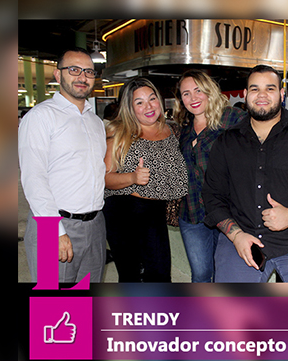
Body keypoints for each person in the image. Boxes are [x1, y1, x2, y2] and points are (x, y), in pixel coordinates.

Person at [202, 65, 288, 283]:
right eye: (255, 89)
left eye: (270, 88)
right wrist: (236, 236)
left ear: (282, 94)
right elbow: (213, 196)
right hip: (241, 240)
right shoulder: (226, 142)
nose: (262, 95)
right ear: (245, 95)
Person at [19, 48, 107, 282]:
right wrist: (54, 232)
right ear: (58, 75)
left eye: (88, 71)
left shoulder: (95, 122)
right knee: (54, 301)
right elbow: (34, 178)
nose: (82, 77)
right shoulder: (41, 117)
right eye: (74, 70)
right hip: (55, 225)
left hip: (95, 226)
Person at [103, 78, 188, 282]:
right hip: (124, 213)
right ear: (130, 108)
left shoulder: (172, 130)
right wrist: (132, 177)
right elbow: (105, 178)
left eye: (152, 99)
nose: (148, 106)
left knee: (160, 276)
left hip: (155, 212)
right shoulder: (119, 132)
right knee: (132, 276)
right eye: (139, 102)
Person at [173, 70, 247, 282]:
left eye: (198, 90)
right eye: (186, 93)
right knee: (201, 275)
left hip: (227, 212)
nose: (193, 98)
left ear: (209, 91)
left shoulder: (232, 118)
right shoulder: (184, 128)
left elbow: (266, 126)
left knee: (226, 275)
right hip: (192, 213)